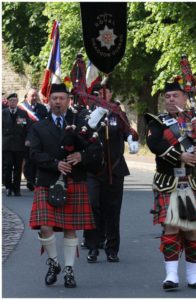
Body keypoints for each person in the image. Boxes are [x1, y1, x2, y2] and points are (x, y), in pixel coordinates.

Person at [145, 80, 196, 291]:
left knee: (193, 229)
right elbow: (155, 144)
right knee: (172, 225)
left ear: (185, 97)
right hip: (169, 181)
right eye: (167, 96)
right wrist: (180, 155)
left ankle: (193, 275)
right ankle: (171, 276)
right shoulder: (158, 121)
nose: (171, 99)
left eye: (175, 95)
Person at [29, 83, 103, 288]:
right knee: (45, 227)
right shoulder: (38, 126)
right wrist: (54, 164)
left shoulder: (81, 124)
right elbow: (33, 153)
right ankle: (53, 263)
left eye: (62, 98)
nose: (58, 102)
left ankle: (69, 269)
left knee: (70, 228)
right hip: (47, 181)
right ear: (49, 101)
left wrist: (82, 155)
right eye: (54, 99)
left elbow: (95, 149)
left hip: (74, 180)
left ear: (69, 101)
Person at [82, 82, 139, 264]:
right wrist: (96, 115)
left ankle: (112, 249)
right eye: (99, 92)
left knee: (112, 210)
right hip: (93, 170)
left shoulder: (117, 113)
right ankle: (93, 246)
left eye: (106, 91)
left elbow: (127, 131)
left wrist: (131, 140)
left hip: (114, 169)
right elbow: (84, 133)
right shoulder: (89, 112)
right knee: (93, 206)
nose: (103, 94)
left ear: (111, 92)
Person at [2, 93, 32, 196]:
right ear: (8, 102)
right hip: (7, 145)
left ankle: (16, 188)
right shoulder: (3, 113)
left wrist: (28, 139)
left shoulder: (23, 113)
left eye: (15, 100)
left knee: (18, 167)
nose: (13, 102)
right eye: (11, 101)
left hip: (19, 145)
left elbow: (28, 128)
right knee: (8, 166)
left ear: (17, 101)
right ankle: (8, 187)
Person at [20, 88, 48, 191]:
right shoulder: (22, 108)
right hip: (26, 139)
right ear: (27, 96)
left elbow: (46, 123)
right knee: (28, 161)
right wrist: (25, 139)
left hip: (39, 139)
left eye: (36, 95)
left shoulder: (42, 108)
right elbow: (20, 125)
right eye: (32, 96)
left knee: (37, 159)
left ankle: (35, 180)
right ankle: (30, 180)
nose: (34, 98)